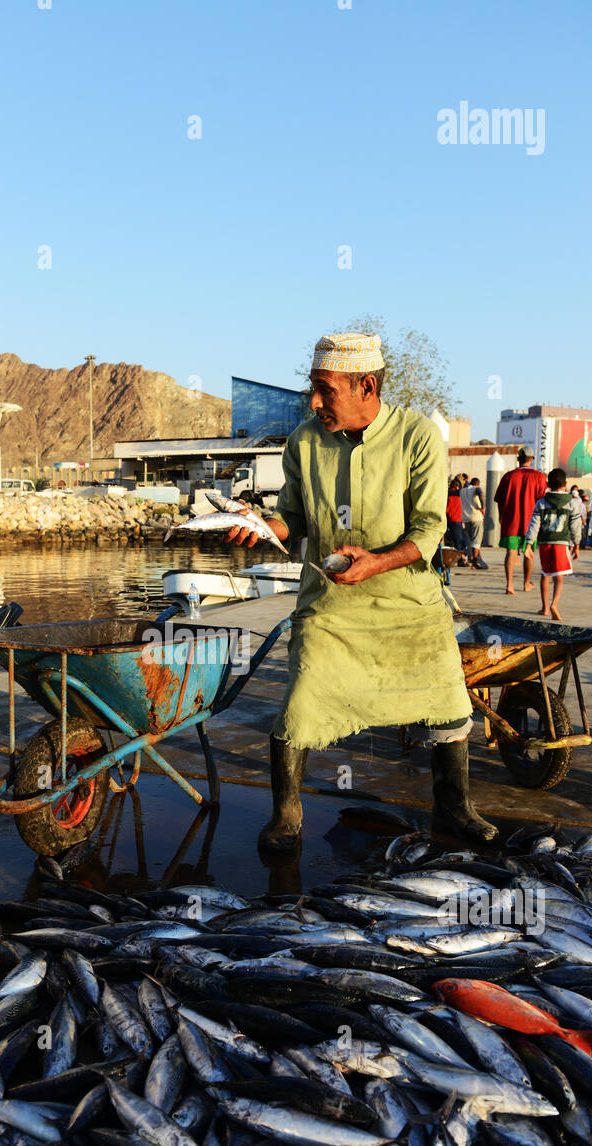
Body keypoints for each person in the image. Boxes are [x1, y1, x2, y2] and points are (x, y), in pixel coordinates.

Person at [226, 331, 497, 852]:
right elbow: (294, 519)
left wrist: (377, 562)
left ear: (366, 385)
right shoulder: (303, 441)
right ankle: (286, 812)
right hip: (330, 606)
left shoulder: (416, 435)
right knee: (301, 705)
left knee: (447, 700)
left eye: (325, 389)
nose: (314, 402)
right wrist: (262, 526)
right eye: (313, 388)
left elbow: (428, 530)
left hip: (408, 604)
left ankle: (454, 805)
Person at [524, 468, 581, 622]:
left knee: (545, 574)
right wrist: (576, 544)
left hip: (544, 543)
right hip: (561, 543)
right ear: (565, 483)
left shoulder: (541, 502)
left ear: (548, 483)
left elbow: (534, 524)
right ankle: (554, 604)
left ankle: (544, 608)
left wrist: (529, 544)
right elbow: (575, 526)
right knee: (559, 577)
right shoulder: (572, 503)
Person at [493, 446, 547, 594]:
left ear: (518, 459)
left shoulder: (508, 476)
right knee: (528, 552)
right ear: (532, 459)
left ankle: (509, 585)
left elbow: (498, 499)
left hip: (511, 521)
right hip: (531, 522)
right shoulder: (539, 477)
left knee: (511, 552)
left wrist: (501, 516)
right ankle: (526, 583)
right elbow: (542, 500)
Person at [459, 475, 487, 569]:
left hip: (466, 518)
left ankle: (473, 558)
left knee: (470, 541)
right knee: (476, 541)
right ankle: (475, 562)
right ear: (477, 483)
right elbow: (481, 493)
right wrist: (483, 508)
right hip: (476, 517)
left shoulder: (462, 491)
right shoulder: (476, 488)